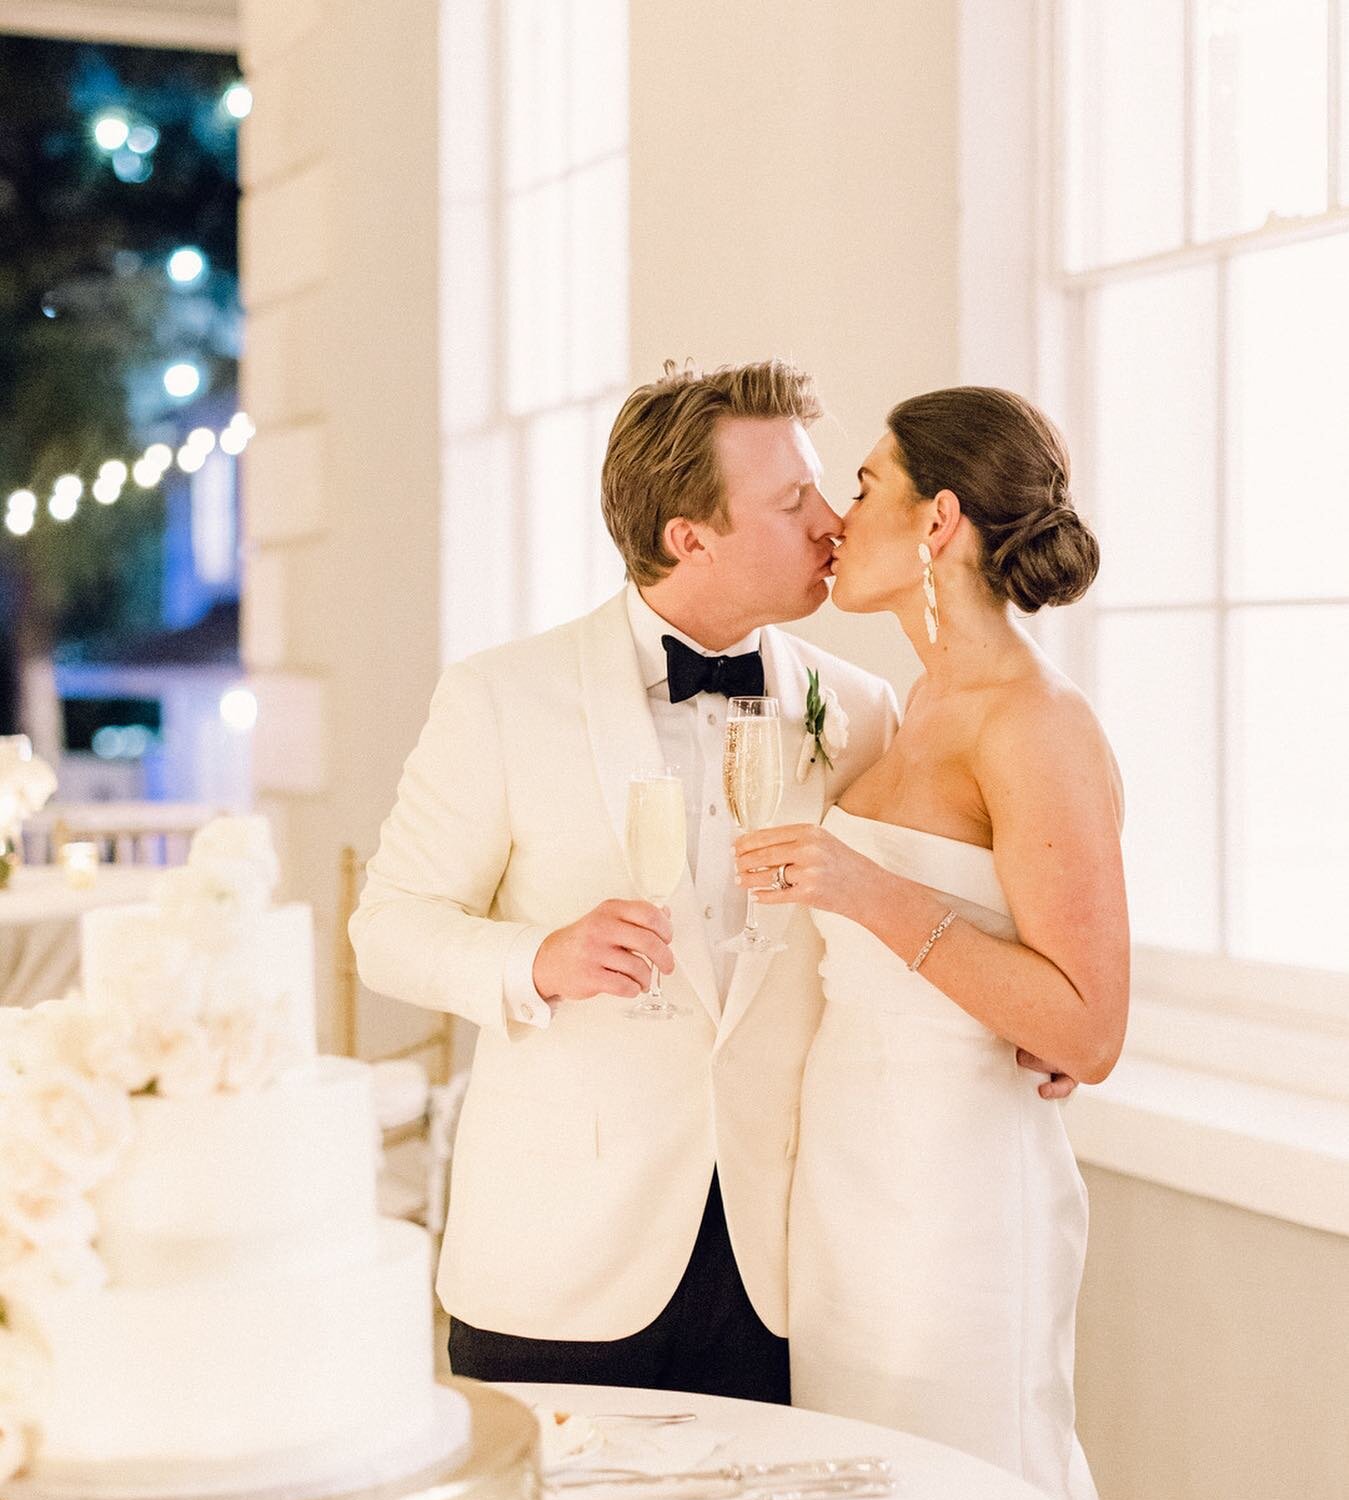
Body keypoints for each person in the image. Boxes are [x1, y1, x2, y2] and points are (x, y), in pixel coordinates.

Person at [351, 358, 1077, 1402]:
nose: (831, 519)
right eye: (791, 501)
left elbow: (929, 901)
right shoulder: (501, 698)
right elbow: (387, 928)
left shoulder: (864, 708)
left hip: (787, 1258)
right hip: (560, 1261)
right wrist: (537, 960)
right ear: (687, 537)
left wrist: (1021, 1027)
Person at [734, 386, 1134, 1500]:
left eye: (861, 487)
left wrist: (863, 887)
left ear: (938, 519)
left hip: (954, 1199)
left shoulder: (1038, 725)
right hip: (850, 1185)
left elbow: (1086, 1030)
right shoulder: (906, 708)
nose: (838, 519)